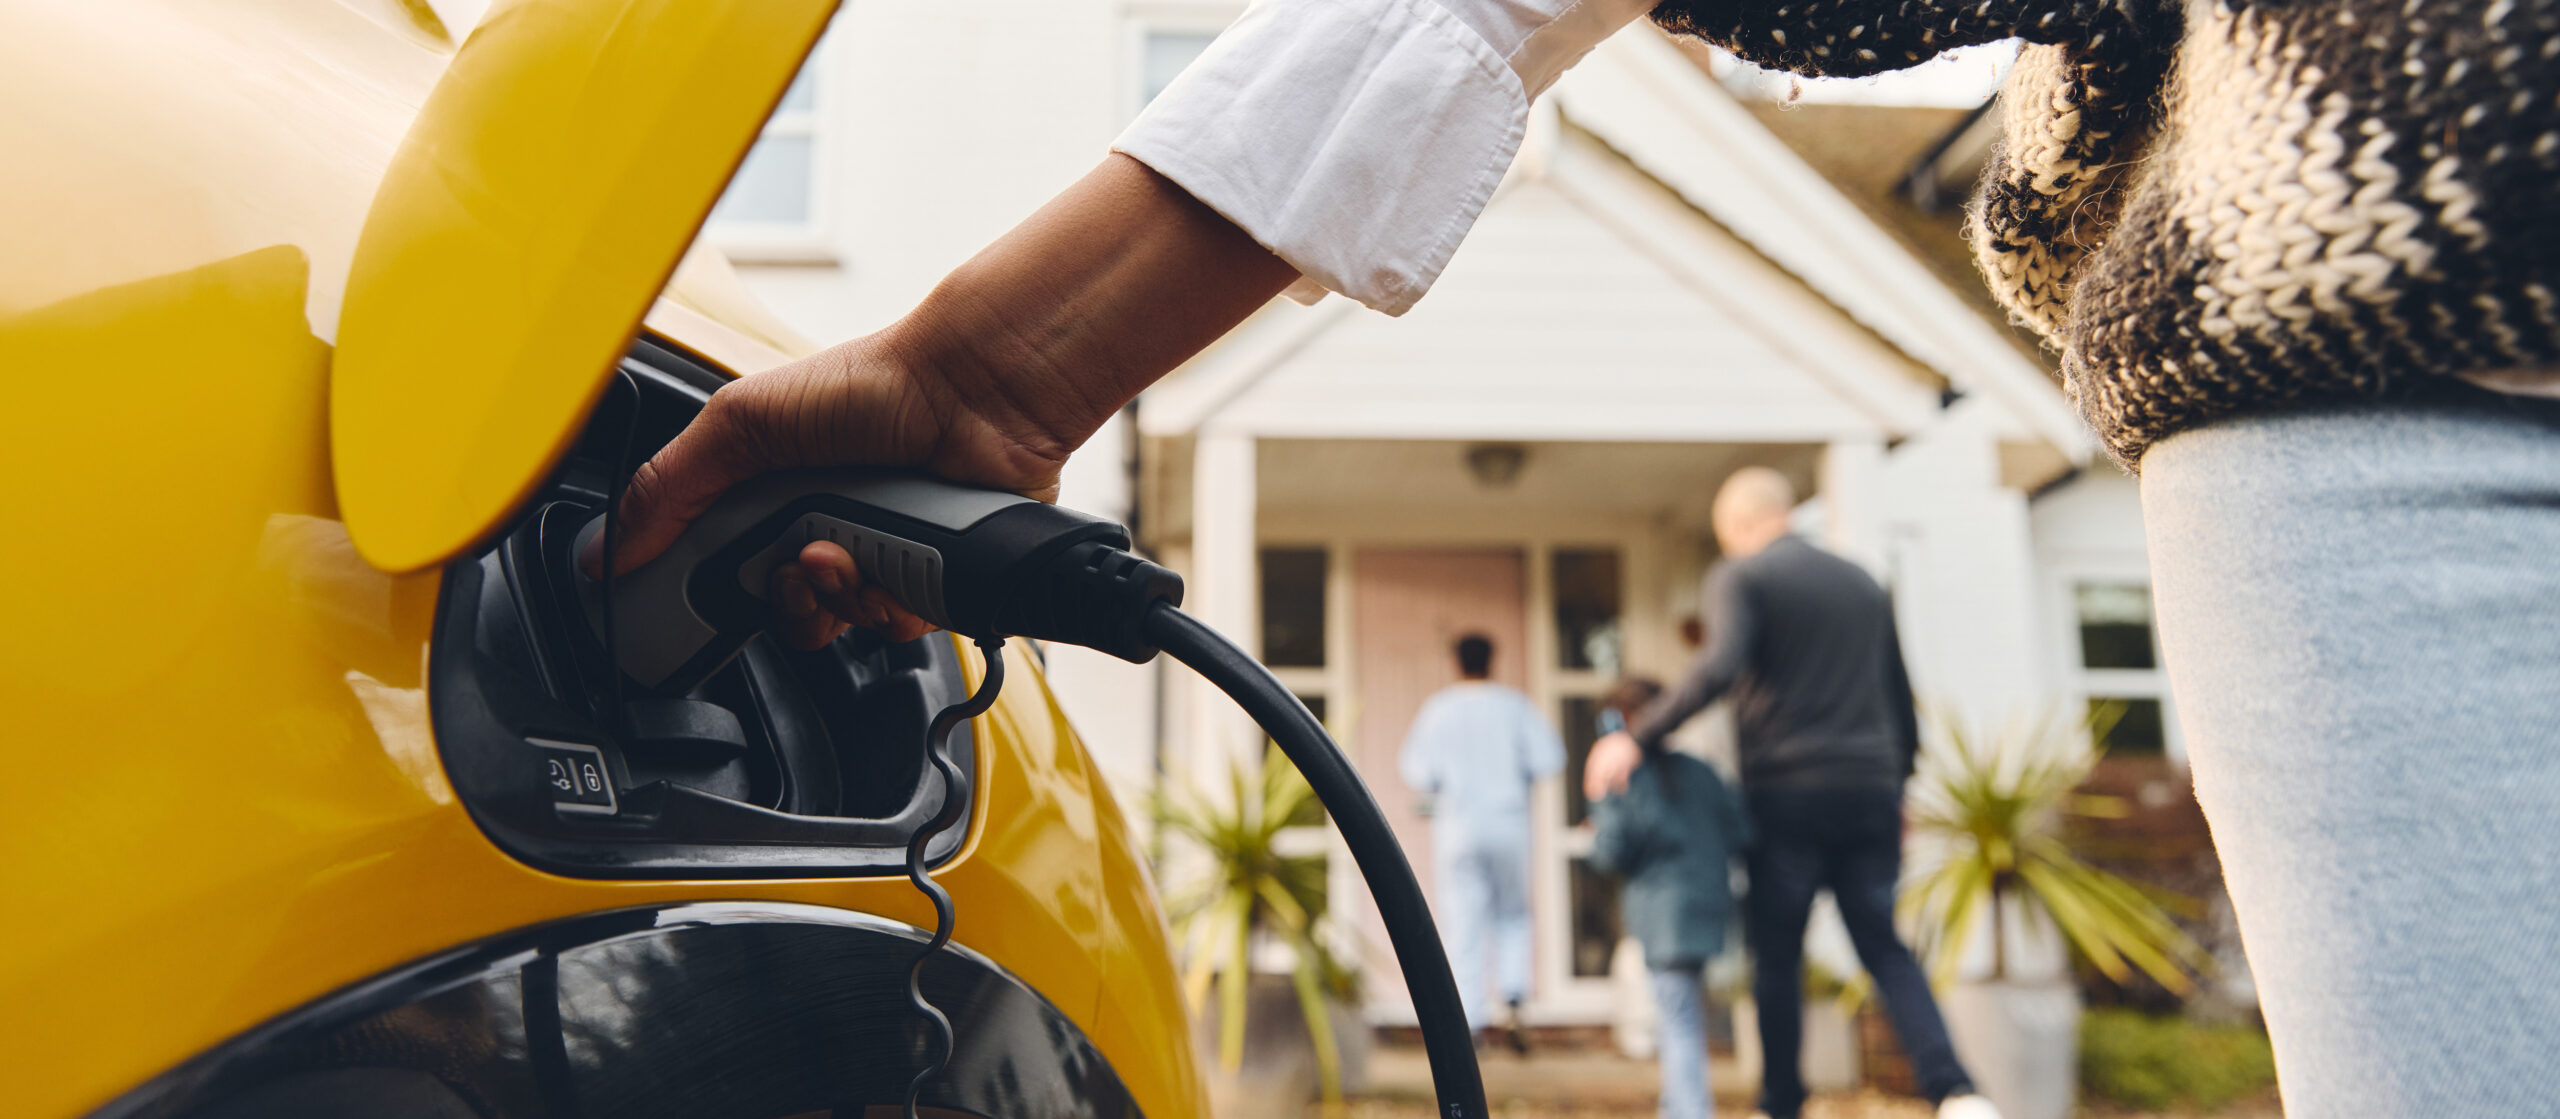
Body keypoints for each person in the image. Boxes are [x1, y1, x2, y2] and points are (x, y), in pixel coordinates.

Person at [588, 0, 2560, 1112]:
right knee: (1801, 938)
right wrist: (1014, 359)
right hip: (2427, 291)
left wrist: (1635, 738)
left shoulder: (1753, 595)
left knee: (1773, 943)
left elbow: (1699, 669)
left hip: (1830, 762)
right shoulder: (1807, 594)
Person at [1580, 468, 1985, 1119]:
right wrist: (1899, 785)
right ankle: (1957, 1092)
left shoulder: (1743, 575)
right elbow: (1898, 698)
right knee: (1882, 943)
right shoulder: (1861, 581)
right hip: (1871, 789)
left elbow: (1721, 663)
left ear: (1736, 526)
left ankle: (1782, 1103)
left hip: (1788, 791)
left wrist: (1639, 736)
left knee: (1777, 953)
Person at [1586, 677, 1750, 1119]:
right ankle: (1676, 1107)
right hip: (1708, 906)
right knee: (1685, 1014)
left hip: (1663, 914)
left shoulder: (1626, 778)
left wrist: (1598, 800)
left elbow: (1611, 852)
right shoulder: (1700, 771)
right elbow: (1740, 832)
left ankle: (1690, 1110)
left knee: (1679, 1023)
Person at [1397, 633, 1565, 1052]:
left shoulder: (1439, 710)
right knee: (1513, 914)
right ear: (1493, 660)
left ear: (1456, 662)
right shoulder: (1515, 707)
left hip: (1458, 828)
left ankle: (1470, 1025)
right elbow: (1549, 759)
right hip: (1509, 824)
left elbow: (1417, 771)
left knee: (1463, 923)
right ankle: (1513, 1001)